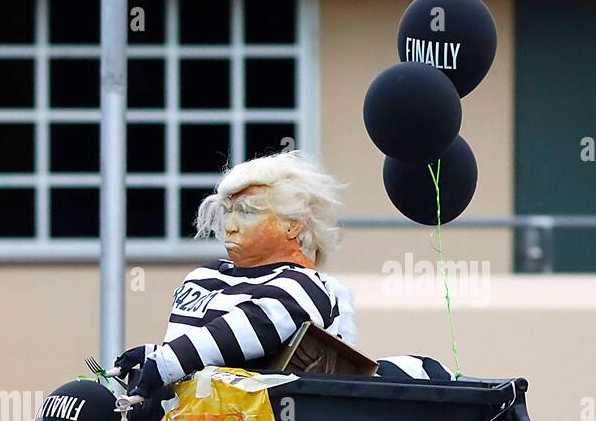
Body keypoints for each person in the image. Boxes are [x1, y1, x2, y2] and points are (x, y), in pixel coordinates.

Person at [113, 150, 453, 397]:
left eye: (247, 212)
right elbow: (201, 354)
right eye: (227, 211)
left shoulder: (305, 286)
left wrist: (167, 361)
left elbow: (258, 323)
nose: (229, 226)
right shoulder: (203, 276)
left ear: (293, 225)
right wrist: (154, 355)